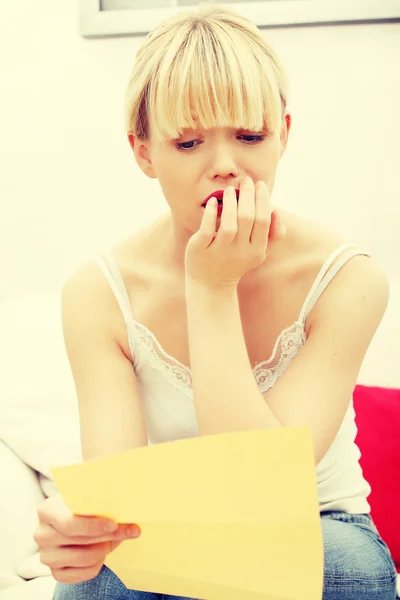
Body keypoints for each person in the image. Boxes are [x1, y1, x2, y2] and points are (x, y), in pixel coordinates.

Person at [34, 3, 398, 599]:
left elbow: (260, 492)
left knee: (330, 570)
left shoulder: (350, 280)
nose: (225, 166)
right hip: (174, 536)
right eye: (189, 142)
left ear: (284, 134)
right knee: (95, 585)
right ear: (144, 152)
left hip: (323, 531)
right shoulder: (98, 294)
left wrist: (211, 286)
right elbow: (119, 504)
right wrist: (79, 535)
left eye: (250, 136)